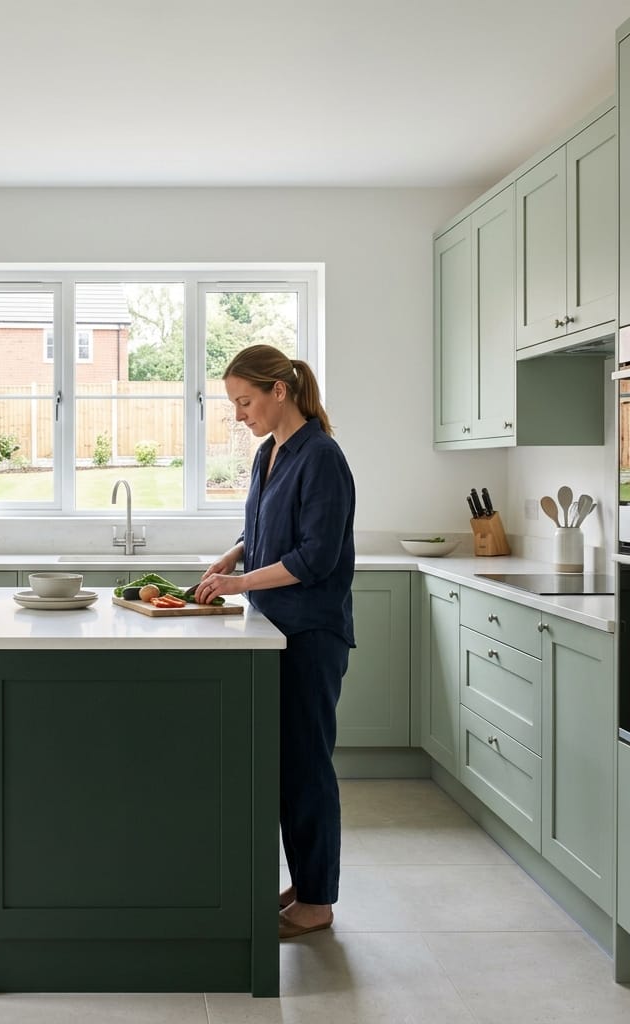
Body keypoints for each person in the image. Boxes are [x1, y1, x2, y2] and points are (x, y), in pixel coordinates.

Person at [195, 344, 355, 940]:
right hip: (275, 630)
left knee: (307, 766)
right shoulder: (271, 453)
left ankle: (318, 903)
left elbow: (314, 557)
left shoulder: (322, 457)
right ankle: (307, 882)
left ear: (278, 392)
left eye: (244, 401)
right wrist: (232, 555)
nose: (239, 414)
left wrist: (238, 582)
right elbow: (259, 527)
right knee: (288, 764)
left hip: (311, 633)